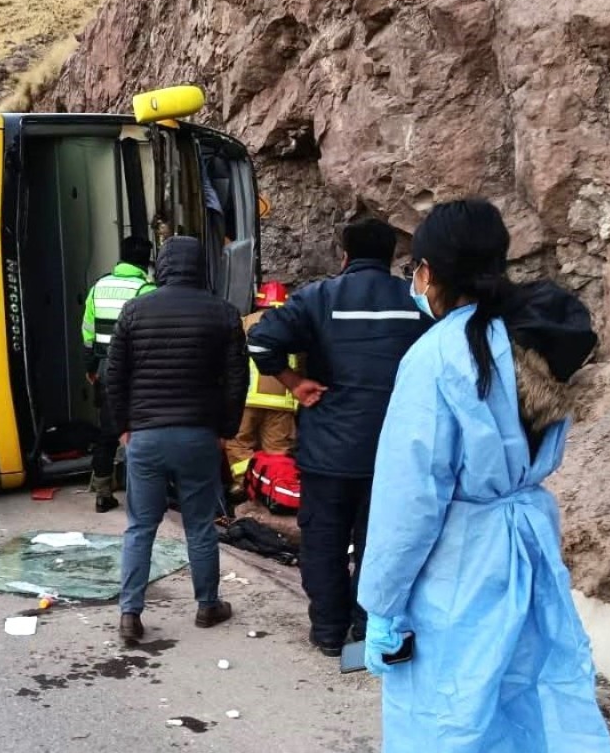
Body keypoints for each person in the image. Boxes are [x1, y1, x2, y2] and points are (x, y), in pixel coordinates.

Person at [357, 198, 610, 753]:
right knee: (497, 720)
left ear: (431, 272)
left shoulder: (441, 356)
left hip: (460, 561)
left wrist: (382, 602)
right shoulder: (529, 342)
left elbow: (411, 496)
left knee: (453, 731)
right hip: (519, 549)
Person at [247, 214, 429, 664]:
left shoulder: (319, 297)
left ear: (344, 255)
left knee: (324, 540)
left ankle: (329, 631)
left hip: (328, 448)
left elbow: (260, 341)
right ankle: (368, 631)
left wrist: (294, 383)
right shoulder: (416, 303)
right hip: (392, 450)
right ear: (392, 257)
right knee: (378, 542)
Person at [105, 235, 248, 643]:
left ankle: (130, 614)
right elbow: (238, 378)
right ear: (201, 266)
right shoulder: (222, 313)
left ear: (161, 266)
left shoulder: (134, 311)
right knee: (200, 525)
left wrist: (124, 427)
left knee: (140, 527)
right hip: (198, 435)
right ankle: (207, 606)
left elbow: (115, 376)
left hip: (145, 436)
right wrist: (226, 430)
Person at [81, 236, 156, 512]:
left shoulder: (99, 287)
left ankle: (102, 492)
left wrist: (90, 366)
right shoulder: (147, 290)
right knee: (140, 430)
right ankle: (142, 494)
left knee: (107, 431)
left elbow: (88, 331)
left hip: (104, 369)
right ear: (146, 262)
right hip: (136, 374)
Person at [223, 280, 298, 495]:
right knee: (277, 452)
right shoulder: (293, 326)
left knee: (239, 443)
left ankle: (244, 484)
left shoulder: (244, 323)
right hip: (282, 402)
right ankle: (273, 489)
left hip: (247, 399)